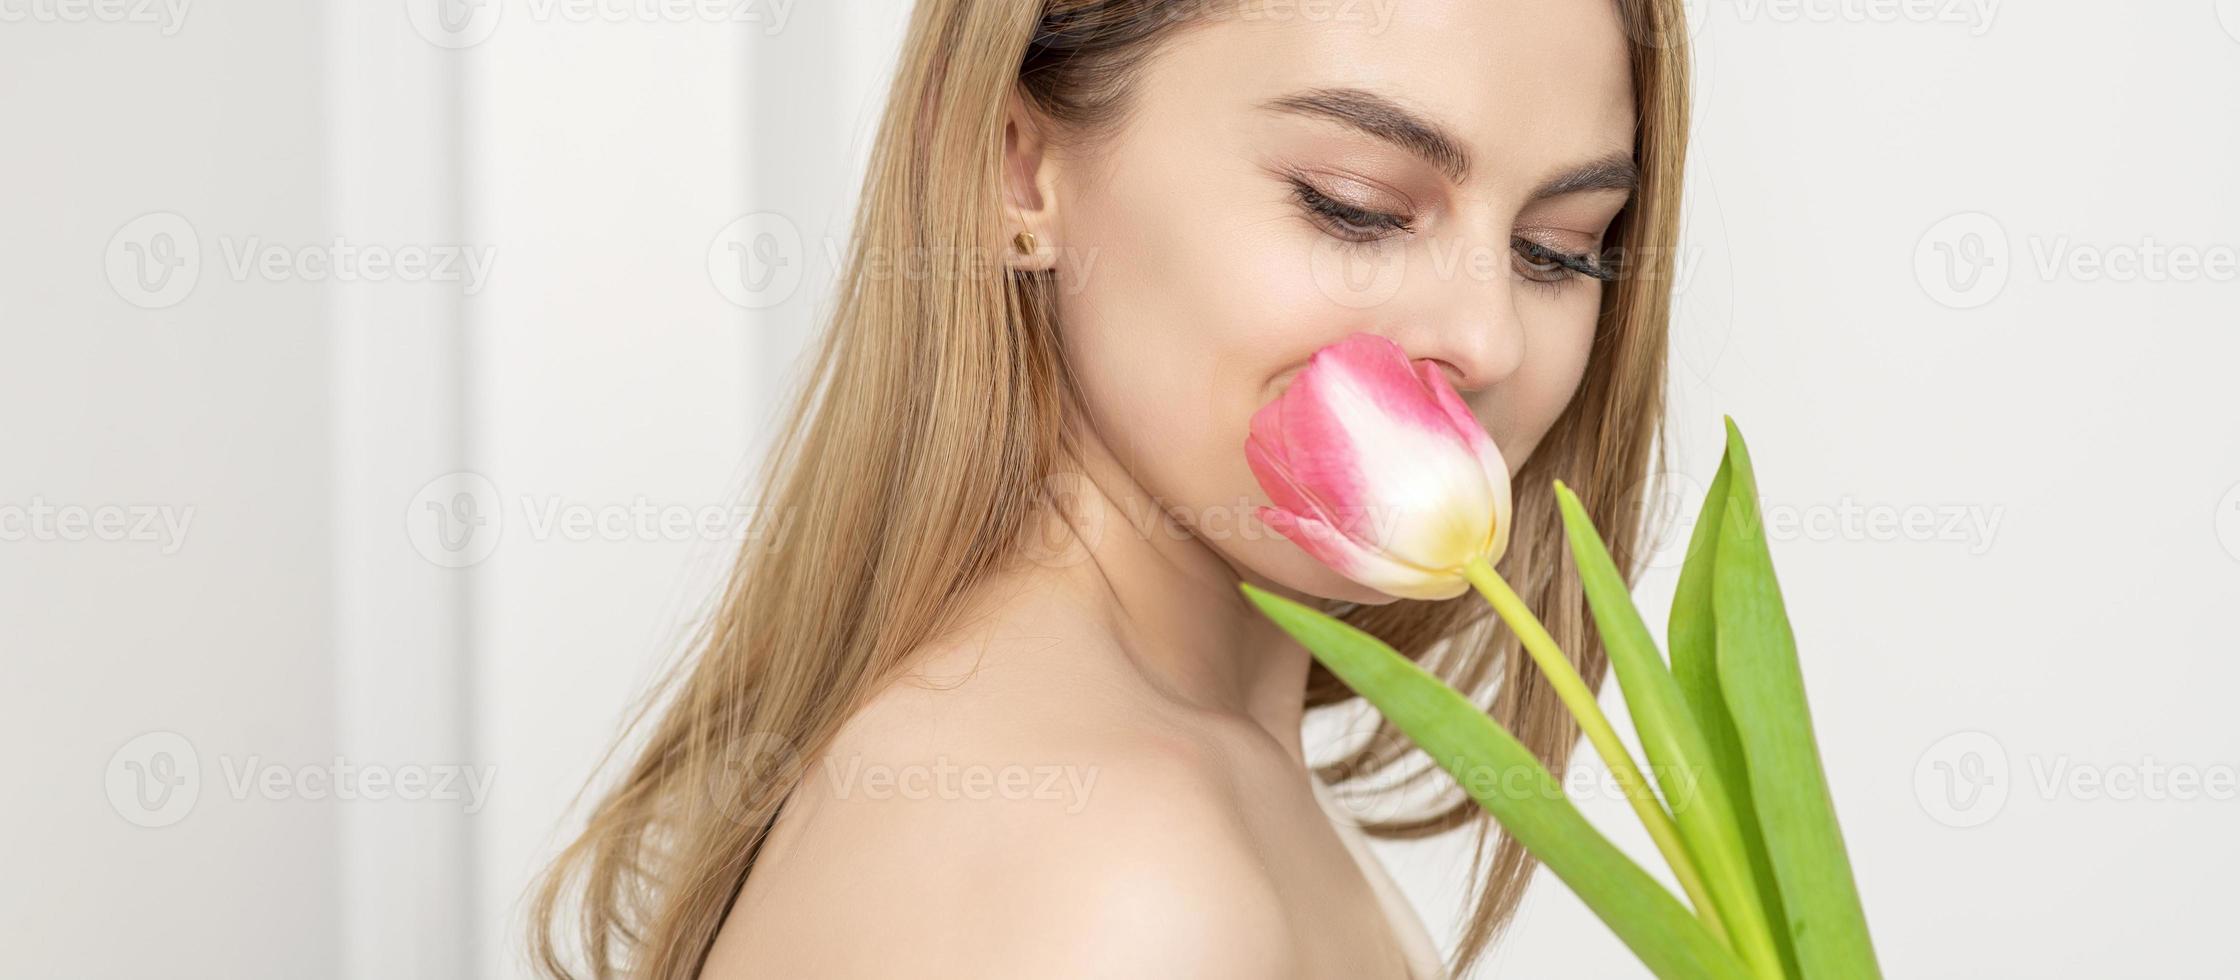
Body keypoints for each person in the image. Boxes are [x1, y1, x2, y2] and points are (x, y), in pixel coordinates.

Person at [530, 1, 1692, 976]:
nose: (1486, 336)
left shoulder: (1181, 770)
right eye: (1355, 203)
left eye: (1562, 247)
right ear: (1018, 168)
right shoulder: (1111, 860)